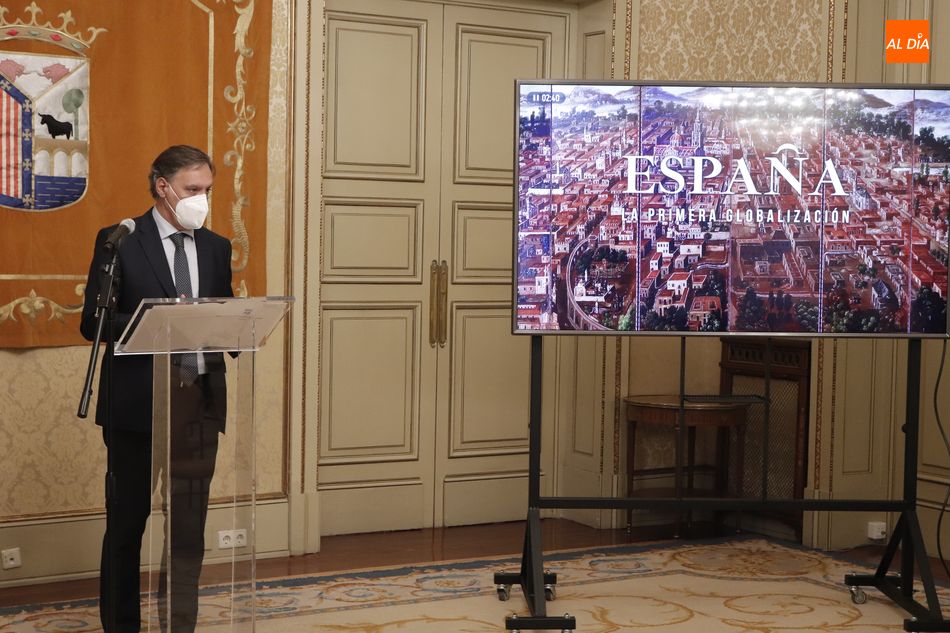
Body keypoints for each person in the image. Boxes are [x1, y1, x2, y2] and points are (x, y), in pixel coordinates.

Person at [80, 145, 234, 633]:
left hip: (198, 406)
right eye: (192, 190)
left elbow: (224, 316)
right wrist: (161, 322)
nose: (201, 200)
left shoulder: (216, 247)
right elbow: (93, 323)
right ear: (162, 186)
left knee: (188, 531)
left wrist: (232, 323)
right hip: (136, 408)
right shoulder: (120, 240)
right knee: (127, 528)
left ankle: (179, 625)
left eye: (207, 190)